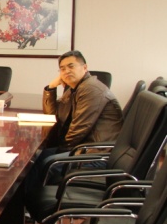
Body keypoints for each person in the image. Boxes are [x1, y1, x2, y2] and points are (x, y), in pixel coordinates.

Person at [24, 50, 123, 205]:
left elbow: (79, 129)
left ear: (85, 67)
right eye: (62, 69)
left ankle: (29, 205)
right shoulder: (75, 88)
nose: (66, 71)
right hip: (85, 148)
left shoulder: (91, 89)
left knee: (41, 161)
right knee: (36, 157)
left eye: (71, 66)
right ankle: (25, 206)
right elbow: (54, 115)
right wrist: (51, 88)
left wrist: (59, 149)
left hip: (97, 153)